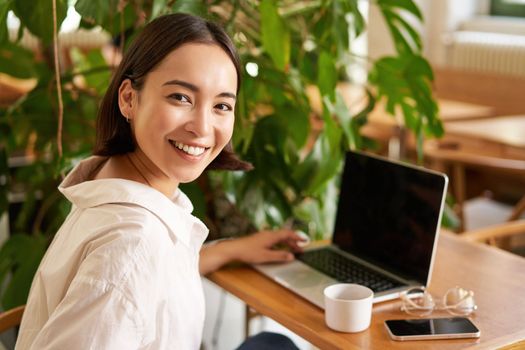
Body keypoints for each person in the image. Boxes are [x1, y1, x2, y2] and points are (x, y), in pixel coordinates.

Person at [16, 13, 304, 350]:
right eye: (180, 97)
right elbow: (132, 269)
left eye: (222, 105)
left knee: (272, 344)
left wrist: (231, 249)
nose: (202, 127)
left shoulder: (120, 185)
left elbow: (151, 274)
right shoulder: (132, 246)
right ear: (128, 98)